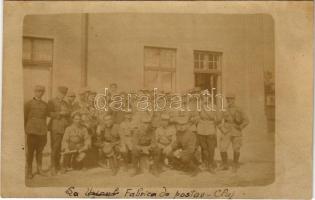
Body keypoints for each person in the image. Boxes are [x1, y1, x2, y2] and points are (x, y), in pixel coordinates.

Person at [218, 94, 249, 172]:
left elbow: (246, 120)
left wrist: (241, 127)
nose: (229, 101)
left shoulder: (239, 109)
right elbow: (218, 120)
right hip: (226, 130)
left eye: (231, 99)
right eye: (228, 99)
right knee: (222, 148)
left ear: (234, 99)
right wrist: (222, 129)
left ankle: (235, 165)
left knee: (236, 148)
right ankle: (225, 165)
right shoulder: (224, 109)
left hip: (236, 131)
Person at [24, 85, 49, 179]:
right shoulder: (28, 104)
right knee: (30, 152)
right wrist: (26, 129)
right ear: (34, 92)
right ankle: (29, 171)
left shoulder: (45, 104)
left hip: (42, 131)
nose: (40, 93)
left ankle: (39, 169)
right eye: (38, 91)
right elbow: (24, 117)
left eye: (42, 91)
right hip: (32, 131)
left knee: (40, 151)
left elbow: (48, 115)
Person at [48, 86, 70, 175]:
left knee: (61, 147)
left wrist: (67, 113)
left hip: (64, 127)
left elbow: (69, 112)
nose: (63, 95)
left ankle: (58, 165)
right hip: (55, 127)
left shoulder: (65, 103)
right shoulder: (52, 101)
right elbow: (49, 113)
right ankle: (53, 166)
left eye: (64, 94)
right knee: (55, 147)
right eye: (61, 93)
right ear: (58, 92)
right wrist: (60, 113)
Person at [196, 107, 219, 173]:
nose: (205, 98)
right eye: (203, 96)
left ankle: (210, 163)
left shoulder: (214, 106)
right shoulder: (199, 106)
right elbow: (196, 116)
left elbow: (217, 119)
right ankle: (205, 162)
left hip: (210, 127)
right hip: (201, 127)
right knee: (203, 147)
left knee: (211, 147)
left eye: (207, 96)